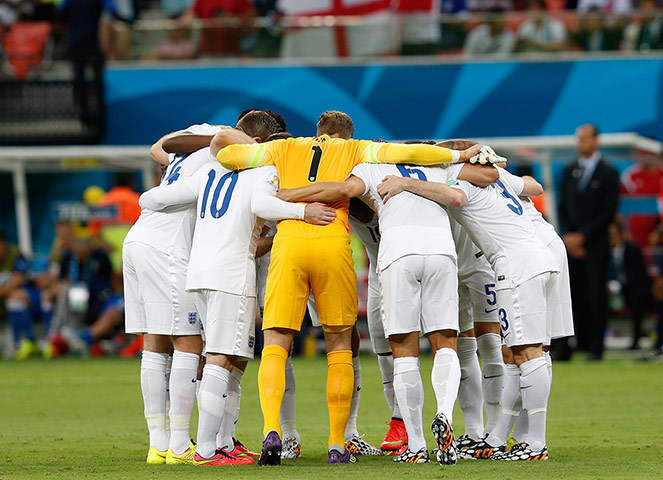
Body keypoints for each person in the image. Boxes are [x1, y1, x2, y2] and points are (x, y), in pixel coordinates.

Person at [211, 110, 484, 465]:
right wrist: (459, 155)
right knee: (341, 343)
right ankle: (339, 444)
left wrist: (252, 152)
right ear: (347, 133)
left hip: (289, 243)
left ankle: (272, 431)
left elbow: (225, 153)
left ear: (319, 131)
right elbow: (410, 154)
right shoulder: (357, 149)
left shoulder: (285, 148)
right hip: (333, 242)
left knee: (277, 341)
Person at [138, 116, 336, 467]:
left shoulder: (209, 172)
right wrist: (304, 211)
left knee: (216, 356)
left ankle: (216, 443)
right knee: (221, 358)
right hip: (231, 274)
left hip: (196, 273)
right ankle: (207, 451)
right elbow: (262, 206)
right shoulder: (261, 171)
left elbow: (151, 200)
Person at [277, 155, 499, 465]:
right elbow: (484, 177)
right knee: (446, 342)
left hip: (398, 254)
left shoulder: (372, 167)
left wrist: (289, 195)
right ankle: (444, 414)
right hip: (442, 253)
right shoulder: (434, 164)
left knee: (404, 350)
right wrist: (465, 150)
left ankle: (417, 444)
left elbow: (341, 189)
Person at [378, 164, 558, 461]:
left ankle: (535, 444)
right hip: (537, 259)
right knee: (514, 355)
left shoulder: (466, 184)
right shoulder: (500, 183)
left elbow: (455, 197)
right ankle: (499, 436)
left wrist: (405, 183)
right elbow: (533, 186)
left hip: (516, 266)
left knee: (528, 352)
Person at [558, 123, 619, 361]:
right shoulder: (569, 170)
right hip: (571, 244)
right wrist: (570, 237)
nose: (580, 143)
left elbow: (608, 212)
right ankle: (568, 346)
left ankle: (595, 347)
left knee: (595, 295)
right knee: (569, 295)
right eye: (578, 139)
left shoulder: (608, 173)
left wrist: (583, 236)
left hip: (595, 246)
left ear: (595, 140)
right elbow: (563, 207)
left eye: (584, 139)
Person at [608, 220, 651, 350]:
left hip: (633, 288)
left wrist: (618, 286)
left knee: (636, 298)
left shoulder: (631, 249)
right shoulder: (605, 252)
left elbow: (638, 275)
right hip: (614, 290)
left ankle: (636, 338)